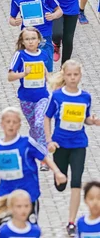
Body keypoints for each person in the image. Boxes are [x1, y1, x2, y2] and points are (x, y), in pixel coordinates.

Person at [44, 59, 100, 236]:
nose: (73, 78)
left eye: (76, 75)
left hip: (79, 144)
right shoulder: (57, 96)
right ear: (64, 75)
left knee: (77, 181)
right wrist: (48, 140)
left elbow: (85, 118)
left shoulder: (85, 97)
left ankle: (71, 222)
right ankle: (59, 176)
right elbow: (47, 117)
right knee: (61, 184)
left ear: (80, 76)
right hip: (60, 144)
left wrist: (93, 121)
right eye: (69, 75)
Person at [0, 107, 66, 221]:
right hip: (7, 197)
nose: (11, 125)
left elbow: (44, 158)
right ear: (2, 124)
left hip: (28, 197)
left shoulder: (27, 143)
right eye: (8, 122)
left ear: (20, 125)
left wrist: (57, 172)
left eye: (14, 122)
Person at [8, 27, 49, 154]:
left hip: (43, 96)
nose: (30, 42)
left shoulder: (43, 54)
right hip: (26, 98)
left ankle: (44, 155)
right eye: (27, 39)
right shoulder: (20, 55)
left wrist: (51, 80)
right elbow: (10, 76)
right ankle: (34, 144)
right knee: (34, 127)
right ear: (23, 41)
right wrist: (23, 74)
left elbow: (45, 70)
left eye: (33, 39)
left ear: (38, 40)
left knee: (39, 124)